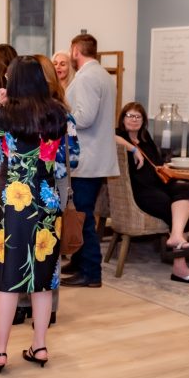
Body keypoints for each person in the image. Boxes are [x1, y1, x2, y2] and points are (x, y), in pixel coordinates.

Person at [0, 56, 68, 371]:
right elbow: (65, 157)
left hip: (13, 203)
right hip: (48, 202)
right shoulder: (58, 112)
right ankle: (39, 346)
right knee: (43, 276)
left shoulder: (6, 114)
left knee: (9, 276)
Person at [12, 55, 79, 326]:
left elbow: (72, 156)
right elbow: (73, 156)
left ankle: (37, 305)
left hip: (42, 186)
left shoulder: (58, 113)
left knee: (39, 246)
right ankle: (37, 306)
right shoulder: (57, 113)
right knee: (40, 246)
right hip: (45, 186)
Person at [113, 102, 189, 284]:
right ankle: (180, 268)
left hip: (157, 185)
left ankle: (176, 236)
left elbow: (155, 163)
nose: (133, 120)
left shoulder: (146, 137)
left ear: (144, 121)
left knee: (185, 188)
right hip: (138, 192)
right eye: (129, 116)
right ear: (122, 119)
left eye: (138, 117)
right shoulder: (118, 136)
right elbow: (107, 137)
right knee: (167, 203)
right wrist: (133, 149)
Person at [62, 33, 118, 288]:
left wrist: (60, 114)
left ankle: (91, 272)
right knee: (81, 214)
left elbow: (83, 118)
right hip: (96, 157)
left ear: (75, 50)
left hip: (86, 158)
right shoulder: (103, 75)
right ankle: (80, 261)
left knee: (81, 217)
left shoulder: (86, 78)